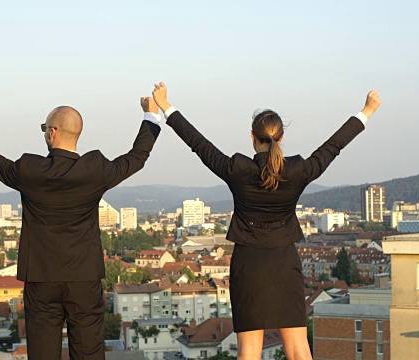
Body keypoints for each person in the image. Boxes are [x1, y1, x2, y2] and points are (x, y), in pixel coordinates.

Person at [151, 82, 380, 360]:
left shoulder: (237, 169)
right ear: (281, 138)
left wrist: (166, 106)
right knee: (298, 348)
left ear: (252, 137)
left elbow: (199, 144)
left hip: (248, 264)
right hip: (285, 262)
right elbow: (334, 146)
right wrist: (366, 111)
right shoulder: (298, 170)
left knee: (249, 351)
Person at [0, 97, 162, 360]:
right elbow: (137, 157)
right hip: (84, 278)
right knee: (89, 353)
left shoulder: (30, 170)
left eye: (45, 127)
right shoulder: (96, 170)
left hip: (41, 279)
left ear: (51, 132)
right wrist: (150, 116)